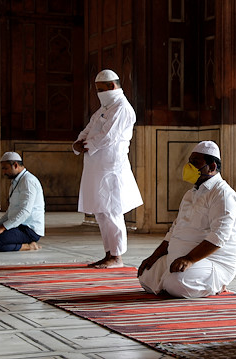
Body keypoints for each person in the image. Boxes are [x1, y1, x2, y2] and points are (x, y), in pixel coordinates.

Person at [137, 141, 236, 298]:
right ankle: (171, 282)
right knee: (145, 275)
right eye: (189, 162)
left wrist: (189, 259)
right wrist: (155, 256)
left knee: (176, 284)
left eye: (195, 163)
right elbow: (175, 229)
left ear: (212, 167)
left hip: (210, 261)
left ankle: (216, 284)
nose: (188, 167)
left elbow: (219, 236)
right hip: (180, 258)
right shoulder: (190, 194)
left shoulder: (222, 194)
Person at [73, 69, 143, 269]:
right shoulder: (104, 108)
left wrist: (85, 146)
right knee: (101, 212)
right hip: (96, 167)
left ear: (113, 86)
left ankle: (117, 256)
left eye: (101, 89)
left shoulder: (122, 108)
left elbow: (108, 136)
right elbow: (89, 129)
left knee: (112, 211)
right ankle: (109, 253)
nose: (99, 93)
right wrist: (77, 143)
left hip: (111, 168)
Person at [0, 152, 45, 252]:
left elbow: (25, 212)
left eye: (5, 168)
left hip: (29, 230)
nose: (4, 172)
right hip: (17, 225)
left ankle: (27, 246)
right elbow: (11, 211)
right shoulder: (16, 181)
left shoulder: (28, 181)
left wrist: (3, 228)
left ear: (15, 165)